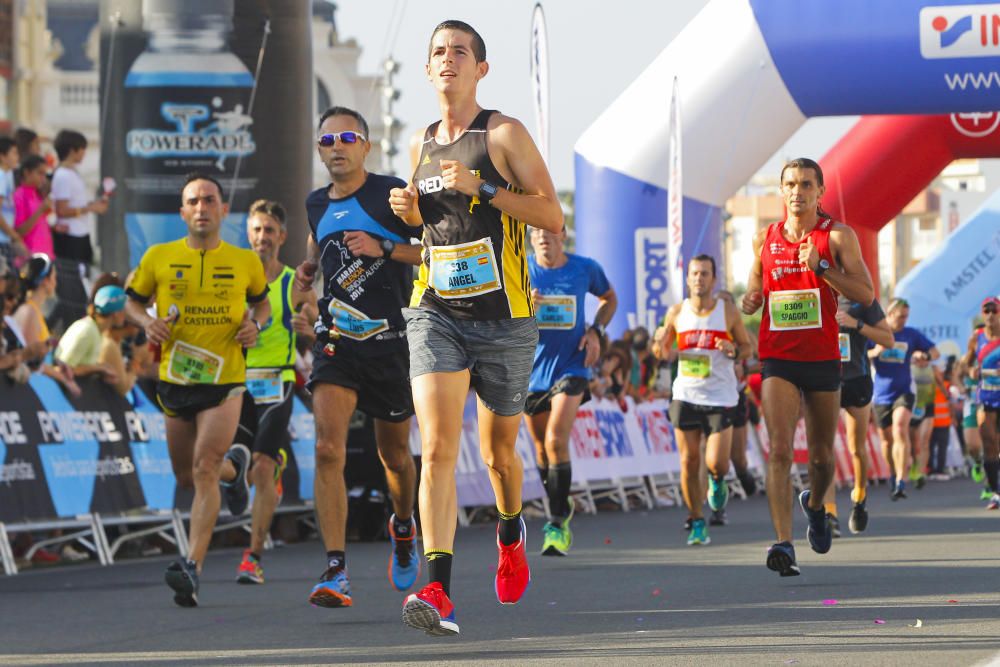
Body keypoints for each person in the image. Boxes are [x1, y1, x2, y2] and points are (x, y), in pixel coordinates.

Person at [388, 20, 563, 636]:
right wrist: (410, 214)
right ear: (428, 68)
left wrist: (484, 187)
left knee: (498, 456)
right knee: (434, 446)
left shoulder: (503, 133)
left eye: (459, 52)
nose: (448, 60)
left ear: (480, 69)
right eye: (438, 52)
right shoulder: (421, 143)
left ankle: (511, 530)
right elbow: (433, 231)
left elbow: (551, 214)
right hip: (436, 310)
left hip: (505, 319)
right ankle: (437, 589)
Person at [294, 106, 423, 608]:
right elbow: (318, 244)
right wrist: (307, 270)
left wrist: (383, 249)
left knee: (394, 456)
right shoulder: (314, 202)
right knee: (328, 449)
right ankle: (335, 570)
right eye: (327, 140)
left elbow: (436, 251)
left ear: (366, 146)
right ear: (320, 150)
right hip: (337, 342)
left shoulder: (390, 192)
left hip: (392, 343)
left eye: (347, 137)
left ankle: (405, 525)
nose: (337, 146)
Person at [124, 173, 270, 607]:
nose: (202, 207)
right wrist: (145, 320)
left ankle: (192, 566)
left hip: (225, 382)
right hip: (176, 380)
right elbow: (130, 299)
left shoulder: (245, 261)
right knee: (187, 476)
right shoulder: (158, 257)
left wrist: (254, 324)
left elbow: (261, 302)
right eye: (194, 201)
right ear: (183, 212)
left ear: (224, 210)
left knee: (203, 468)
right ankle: (235, 470)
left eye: (210, 200)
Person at [741, 157, 874, 577]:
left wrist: (823, 268)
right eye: (790, 184)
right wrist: (750, 299)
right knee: (779, 450)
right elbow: (755, 280)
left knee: (821, 460)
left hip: (821, 357)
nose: (797, 191)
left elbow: (866, 293)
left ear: (819, 192)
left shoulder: (837, 236)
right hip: (778, 357)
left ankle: (815, 507)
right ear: (781, 192)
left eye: (805, 184)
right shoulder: (764, 237)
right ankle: (783, 542)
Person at [229, 199, 316, 585]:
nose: (262, 238)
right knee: (229, 463)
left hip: (276, 382)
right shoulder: (232, 277)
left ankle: (253, 556)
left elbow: (315, 323)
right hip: (234, 383)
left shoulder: (292, 283)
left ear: (282, 236)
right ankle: (237, 480)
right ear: (248, 234)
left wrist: (308, 327)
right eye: (256, 230)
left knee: (262, 466)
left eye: (269, 231)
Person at [524, 225, 616, 556]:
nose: (544, 237)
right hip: (531, 372)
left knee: (555, 441)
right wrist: (522, 308)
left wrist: (596, 331)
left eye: (549, 231)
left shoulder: (584, 268)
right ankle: (559, 501)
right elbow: (497, 314)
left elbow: (609, 298)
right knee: (539, 448)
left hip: (572, 366)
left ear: (562, 234)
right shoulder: (520, 269)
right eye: (536, 232)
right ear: (531, 238)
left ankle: (557, 521)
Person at [654, 255, 751, 546]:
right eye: (695, 273)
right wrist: (658, 342)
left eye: (705, 274)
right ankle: (697, 519)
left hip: (720, 396)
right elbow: (662, 351)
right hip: (685, 393)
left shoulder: (728, 312)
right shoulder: (676, 312)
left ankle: (718, 481)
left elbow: (747, 348)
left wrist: (732, 348)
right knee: (688, 460)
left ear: (714, 279)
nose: (699, 278)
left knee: (717, 463)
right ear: (688, 279)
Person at [822, 294, 893, 536]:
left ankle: (859, 498)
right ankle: (829, 513)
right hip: (827, 380)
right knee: (824, 450)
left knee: (856, 448)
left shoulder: (863, 300)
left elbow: (888, 339)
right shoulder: (815, 294)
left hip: (857, 380)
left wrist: (858, 325)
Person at [870, 298, 939, 500]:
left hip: (904, 390)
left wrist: (924, 356)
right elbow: (859, 354)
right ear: (889, 314)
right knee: (886, 440)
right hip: (881, 393)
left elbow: (935, 351)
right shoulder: (876, 332)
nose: (903, 320)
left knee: (900, 427)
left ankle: (901, 479)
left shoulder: (911, 334)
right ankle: (892, 473)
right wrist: (876, 351)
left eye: (906, 316)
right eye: (901, 316)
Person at [50, 130, 108, 271]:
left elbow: (75, 204)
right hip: (71, 237)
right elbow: (62, 210)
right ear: (72, 150)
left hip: (80, 234)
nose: (84, 153)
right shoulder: (63, 175)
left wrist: (92, 206)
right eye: (82, 149)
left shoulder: (71, 173)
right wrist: (90, 209)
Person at [963, 296, 1000, 509]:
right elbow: (966, 364)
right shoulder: (976, 338)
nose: (990, 315)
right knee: (988, 443)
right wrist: (971, 371)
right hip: (985, 396)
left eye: (994, 310)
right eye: (986, 311)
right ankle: (996, 491)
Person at [53, 284, 127, 388]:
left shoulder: (96, 331)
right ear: (115, 313)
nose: (126, 314)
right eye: (124, 309)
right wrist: (99, 368)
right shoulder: (87, 330)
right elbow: (65, 368)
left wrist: (101, 370)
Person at [13, 155, 53, 260]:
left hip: (45, 254)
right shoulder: (19, 196)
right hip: (30, 256)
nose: (43, 178)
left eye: (44, 174)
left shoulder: (37, 194)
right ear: (27, 172)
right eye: (40, 173)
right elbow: (20, 231)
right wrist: (40, 211)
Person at [0, 138, 23, 265]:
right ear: (2, 156)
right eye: (14, 153)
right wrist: (14, 235)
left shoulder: (7, 176)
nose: (17, 157)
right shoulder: (1, 177)